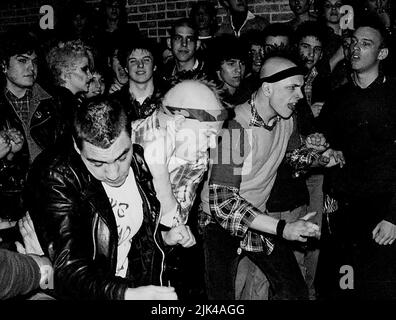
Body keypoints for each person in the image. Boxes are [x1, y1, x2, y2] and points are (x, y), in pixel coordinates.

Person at [24, 97, 194, 300]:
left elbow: (130, 239)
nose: (113, 173)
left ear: (131, 139)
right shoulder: (57, 177)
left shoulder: (138, 162)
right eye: (97, 163)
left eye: (122, 157)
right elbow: (66, 271)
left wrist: (163, 239)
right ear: (78, 149)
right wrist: (126, 294)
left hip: (124, 284)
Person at [200, 54, 328, 300]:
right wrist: (283, 228)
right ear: (267, 88)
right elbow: (223, 203)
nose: (300, 96)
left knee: (294, 291)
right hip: (218, 222)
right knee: (222, 299)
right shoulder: (234, 126)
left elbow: (290, 156)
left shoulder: (285, 119)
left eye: (301, 87)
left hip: (256, 216)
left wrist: (318, 157)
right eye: (292, 87)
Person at [317, 16, 396, 300]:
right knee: (342, 288)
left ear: (382, 53)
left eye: (366, 44)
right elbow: (323, 146)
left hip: (382, 213)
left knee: (380, 287)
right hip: (345, 212)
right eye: (352, 43)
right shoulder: (338, 98)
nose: (355, 49)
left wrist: (393, 217)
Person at [132, 79, 226, 299]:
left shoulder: (197, 159)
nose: (213, 145)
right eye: (208, 134)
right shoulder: (123, 140)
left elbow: (172, 221)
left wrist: (160, 174)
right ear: (178, 122)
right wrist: (159, 172)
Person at [0, 27, 63, 230]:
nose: (30, 67)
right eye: (22, 60)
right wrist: (7, 157)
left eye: (34, 61)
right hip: (10, 208)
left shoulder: (54, 101)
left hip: (53, 197)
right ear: (3, 65)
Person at [45, 39, 93, 136]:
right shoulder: (63, 106)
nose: (90, 76)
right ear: (65, 73)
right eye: (84, 69)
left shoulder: (68, 102)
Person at [112, 37, 162, 121]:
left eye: (146, 60)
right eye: (133, 61)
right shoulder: (115, 103)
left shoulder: (168, 97)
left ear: (154, 66)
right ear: (126, 68)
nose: (140, 65)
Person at [162, 18, 208, 92]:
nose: (184, 44)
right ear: (169, 43)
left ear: (198, 44)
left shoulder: (208, 79)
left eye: (189, 39)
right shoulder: (162, 78)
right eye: (178, 38)